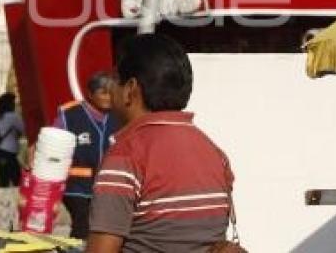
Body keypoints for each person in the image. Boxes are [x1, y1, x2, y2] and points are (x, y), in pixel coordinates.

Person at [86, 34, 235, 253]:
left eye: (115, 80)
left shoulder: (126, 155)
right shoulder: (214, 152)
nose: (111, 91)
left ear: (130, 89)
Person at [54, 71, 117, 240]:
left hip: (105, 187)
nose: (109, 97)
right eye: (103, 92)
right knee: (83, 227)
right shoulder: (70, 114)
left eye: (112, 92)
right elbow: (53, 144)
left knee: (103, 229)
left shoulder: (119, 116)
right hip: (76, 187)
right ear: (90, 94)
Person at [0, 92, 24, 187]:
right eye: (14, 103)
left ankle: (1, 201)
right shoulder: (13, 117)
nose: (15, 105)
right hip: (7, 154)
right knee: (19, 182)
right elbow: (24, 129)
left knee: (3, 182)